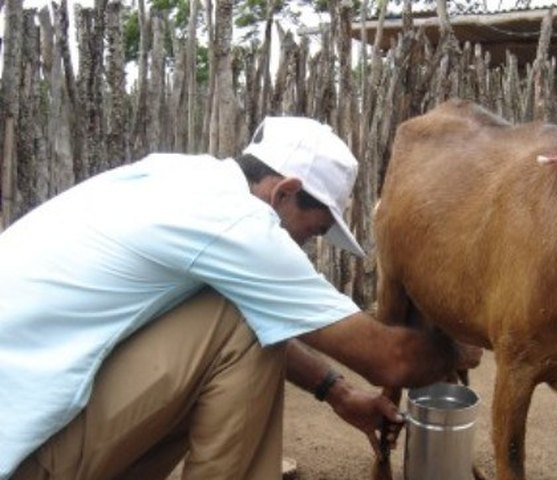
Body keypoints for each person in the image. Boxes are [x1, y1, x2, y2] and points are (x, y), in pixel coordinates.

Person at [0, 116, 483, 479]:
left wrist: (335, 392)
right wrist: (457, 342)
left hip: (24, 430)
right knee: (241, 318)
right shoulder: (239, 225)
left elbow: (221, 338)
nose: (302, 247)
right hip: (25, 454)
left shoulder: (180, 178)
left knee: (239, 315)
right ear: (284, 192)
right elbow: (390, 361)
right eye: (309, 232)